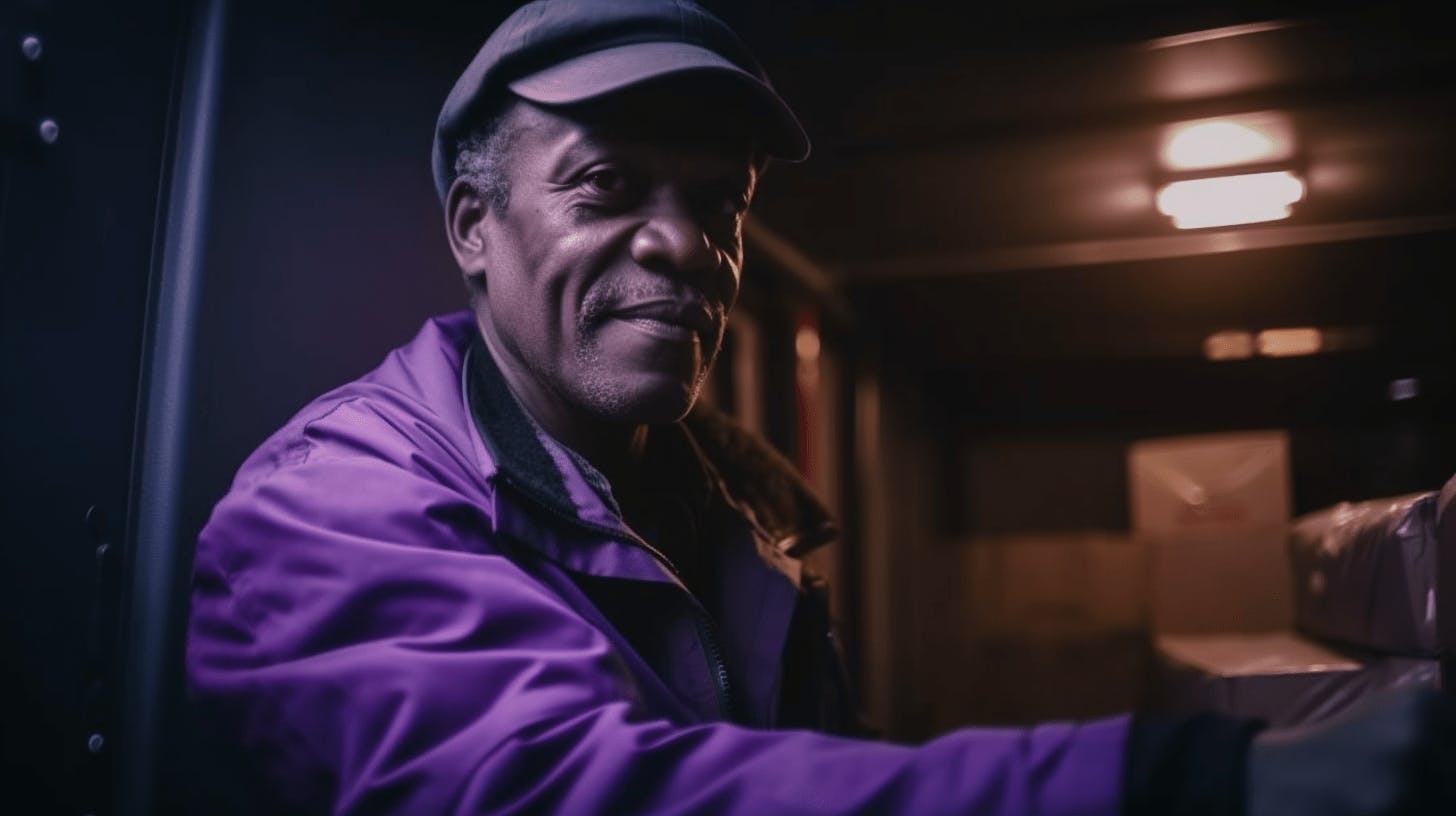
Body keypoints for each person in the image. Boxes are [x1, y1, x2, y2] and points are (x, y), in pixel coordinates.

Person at [186, 1, 1455, 813]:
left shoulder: (732, 506)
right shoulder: (334, 505)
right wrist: (1185, 786)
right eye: (609, 183)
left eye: (719, 207)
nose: (686, 247)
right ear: (474, 227)